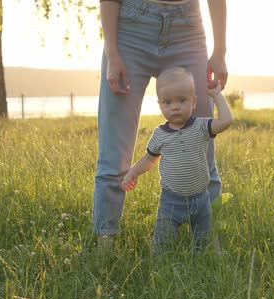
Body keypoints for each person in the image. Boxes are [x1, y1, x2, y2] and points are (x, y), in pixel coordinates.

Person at [94, 0, 227, 250]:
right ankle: (105, 247)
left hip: (187, 29)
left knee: (203, 149)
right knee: (114, 153)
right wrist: (111, 52)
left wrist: (220, 50)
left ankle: (211, 243)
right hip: (130, 29)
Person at [120, 67, 233, 254]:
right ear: (160, 105)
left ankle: (201, 262)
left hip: (200, 199)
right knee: (161, 247)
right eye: (167, 102)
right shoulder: (160, 134)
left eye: (182, 100)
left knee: (202, 246)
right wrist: (134, 171)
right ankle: (158, 268)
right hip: (170, 201)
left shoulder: (201, 126)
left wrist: (216, 95)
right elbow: (150, 158)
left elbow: (226, 121)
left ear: (193, 102)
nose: (175, 106)